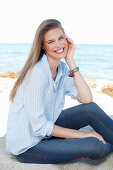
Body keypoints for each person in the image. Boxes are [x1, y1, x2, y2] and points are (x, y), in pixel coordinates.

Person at [6, 19, 113, 164]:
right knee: (96, 145)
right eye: (51, 42)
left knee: (90, 110)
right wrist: (83, 135)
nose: (58, 45)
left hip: (46, 131)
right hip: (29, 146)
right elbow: (40, 127)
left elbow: (86, 99)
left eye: (61, 38)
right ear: (43, 46)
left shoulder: (62, 69)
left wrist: (70, 60)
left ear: (67, 39)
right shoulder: (37, 73)